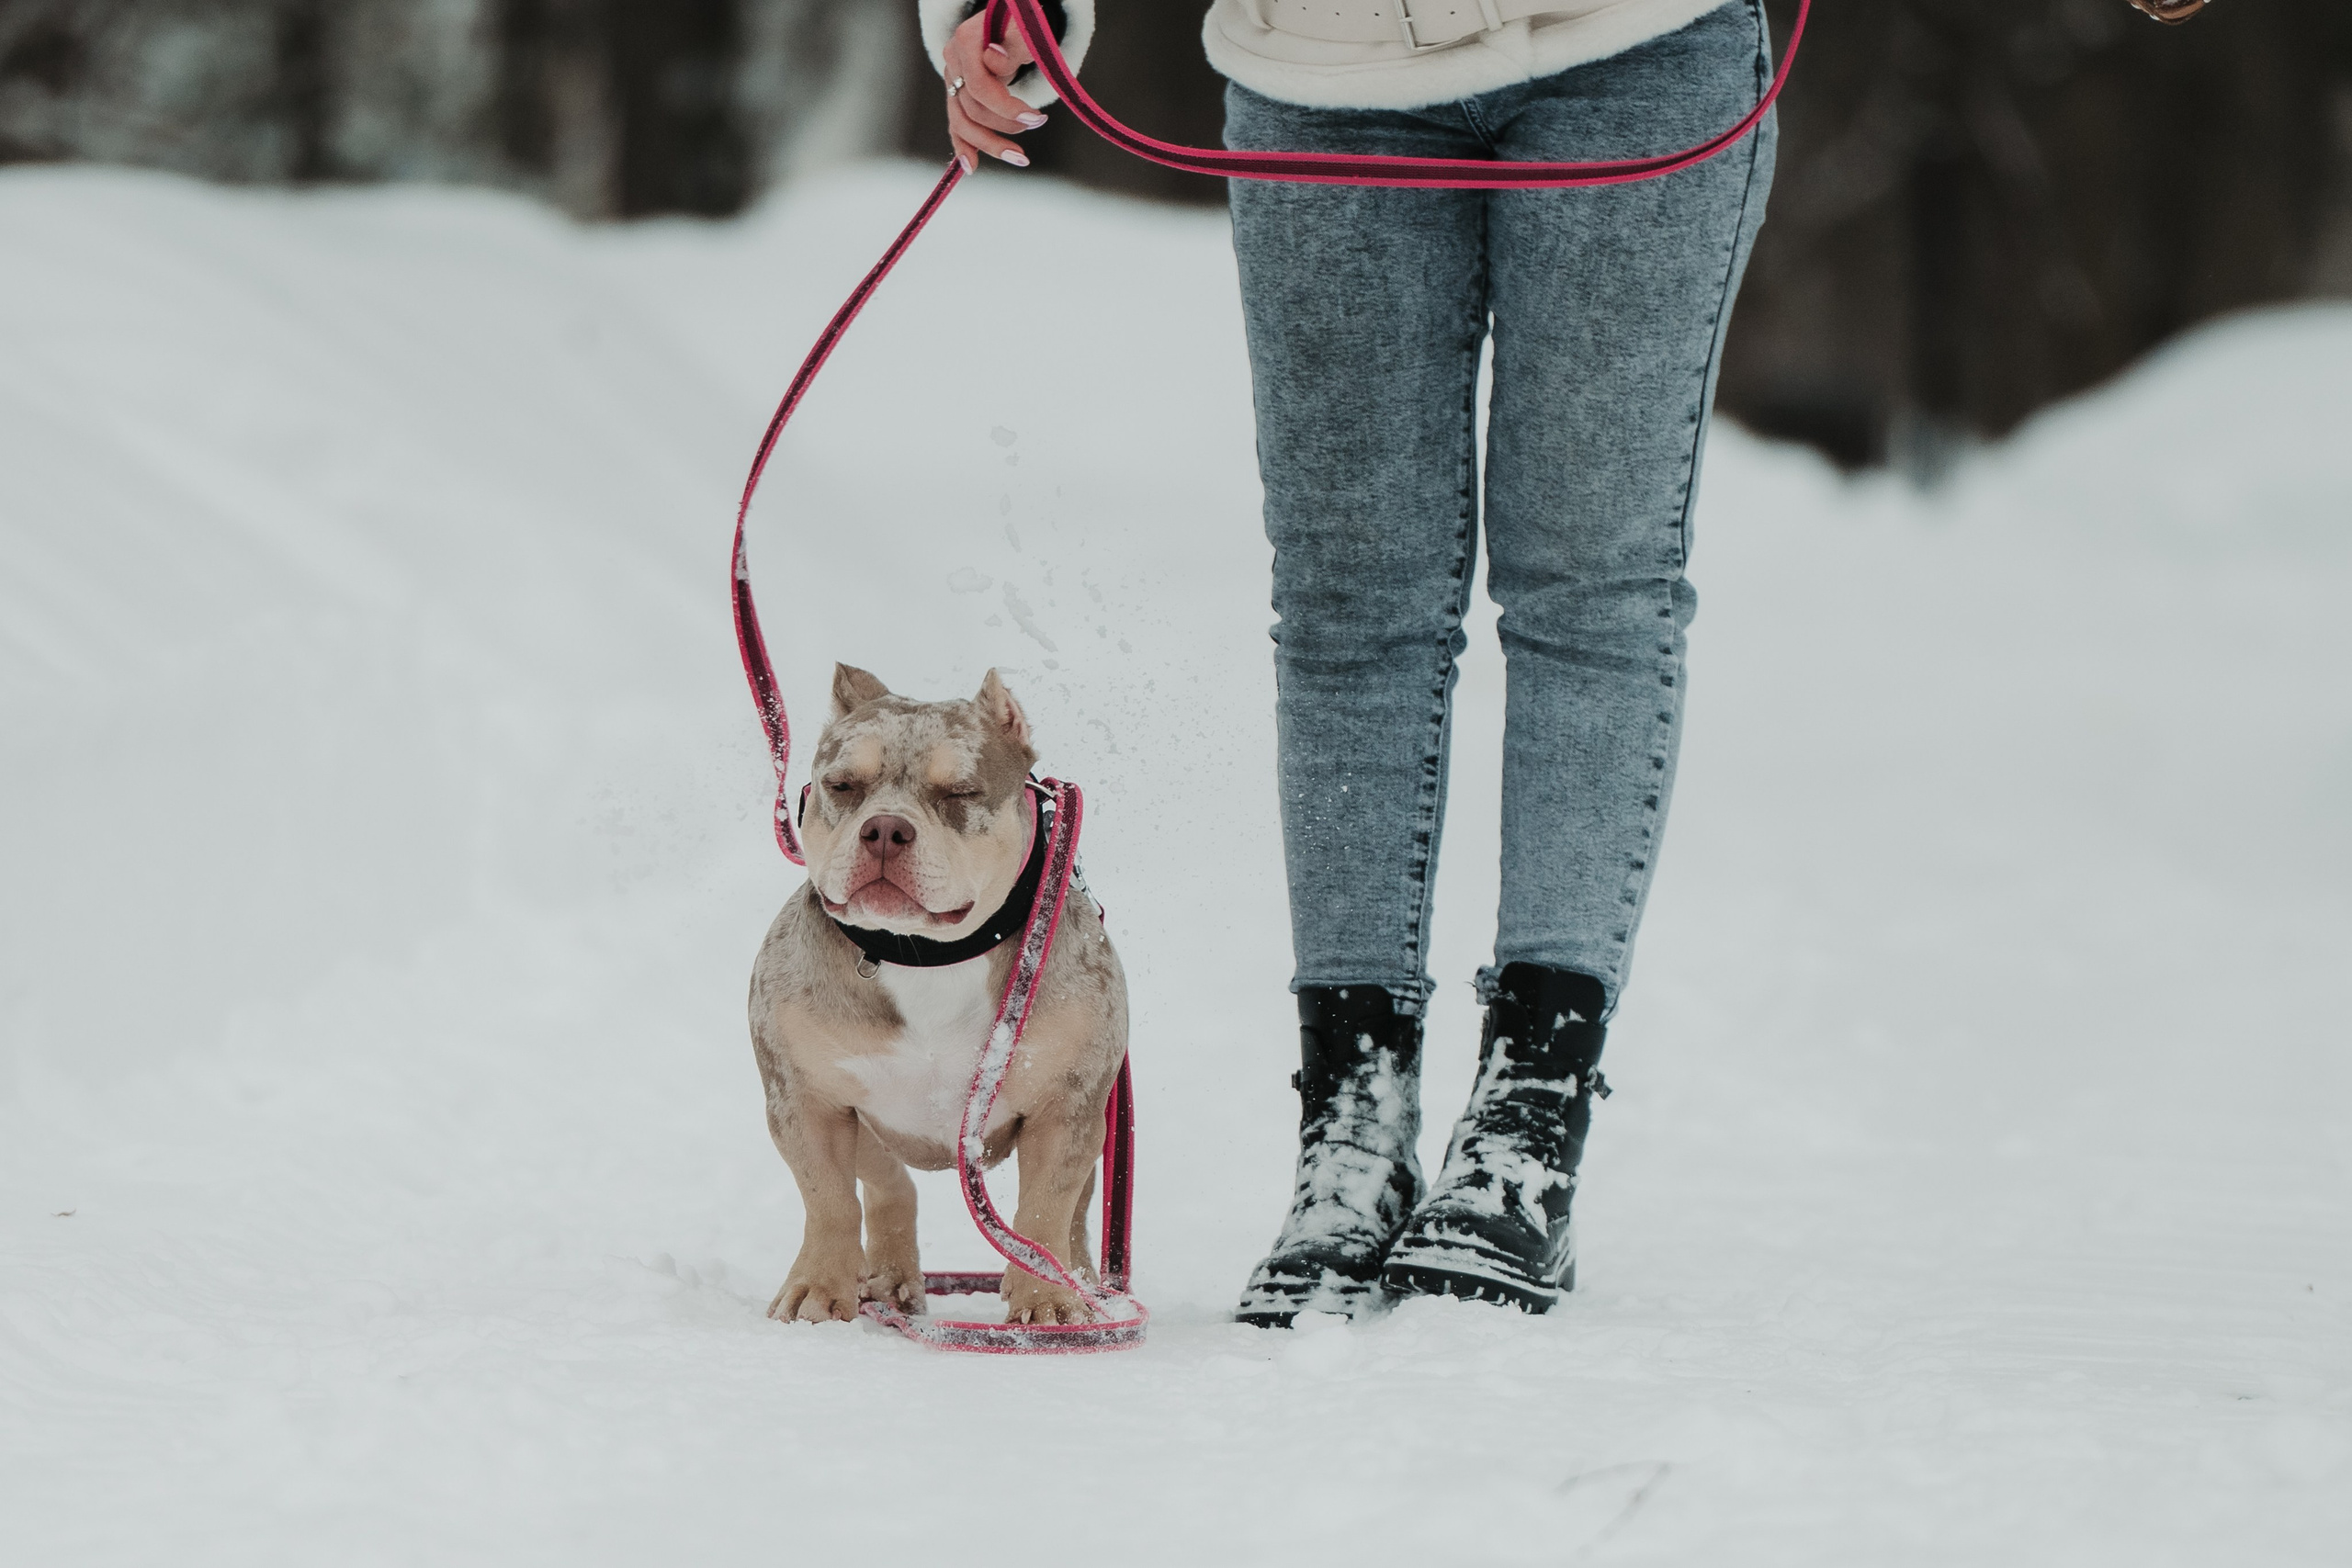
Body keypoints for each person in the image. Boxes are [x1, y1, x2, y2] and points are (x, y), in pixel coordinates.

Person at [922, 0, 1777, 1324]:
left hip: (1634, 45)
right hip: (1320, 59)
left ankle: (1529, 1120)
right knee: (1348, 610)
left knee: (1591, 586)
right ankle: (1354, 1125)